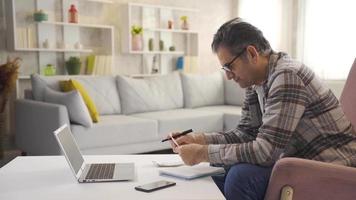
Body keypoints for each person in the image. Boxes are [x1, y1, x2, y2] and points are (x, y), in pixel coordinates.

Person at [167, 18, 356, 200]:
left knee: (240, 177)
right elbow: (246, 133)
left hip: (334, 168)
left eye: (229, 67)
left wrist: (202, 153)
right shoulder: (256, 82)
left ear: (251, 53)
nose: (228, 77)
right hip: (298, 160)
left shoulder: (287, 76)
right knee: (219, 169)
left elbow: (265, 152)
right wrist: (200, 139)